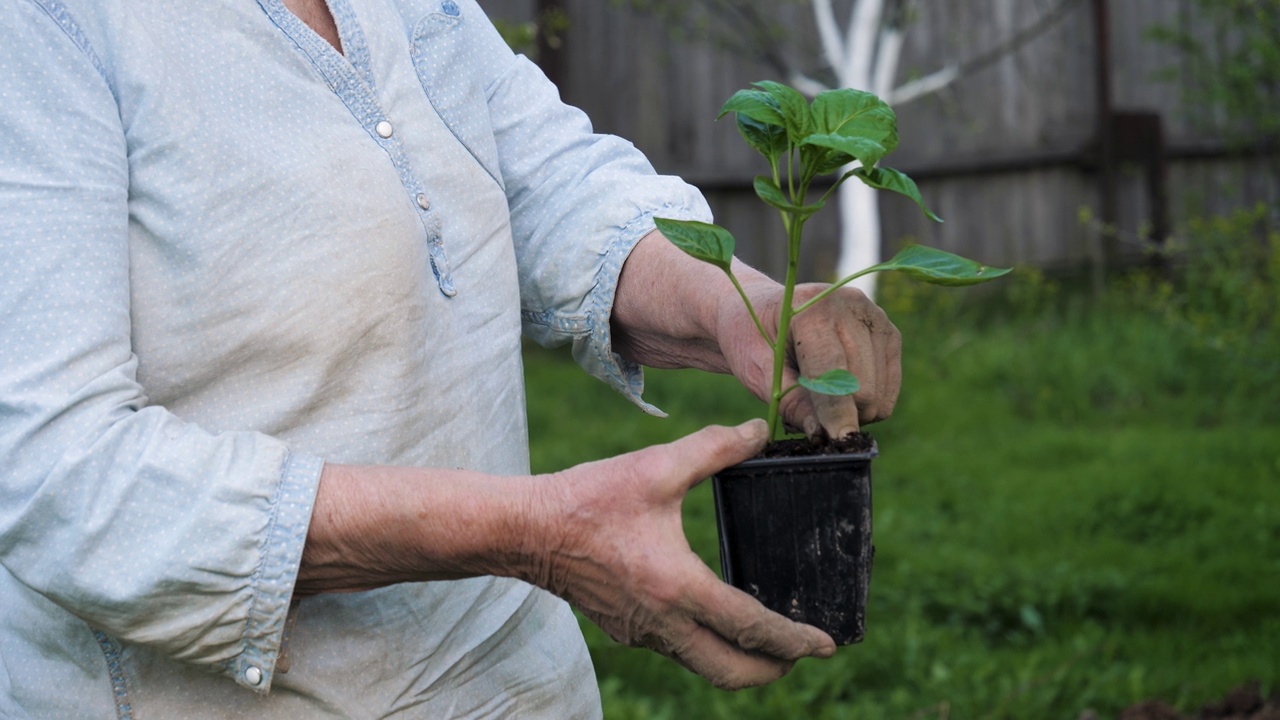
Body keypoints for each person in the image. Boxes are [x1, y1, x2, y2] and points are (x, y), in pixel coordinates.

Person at [0, 0, 902, 716]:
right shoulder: (46, 28)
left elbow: (547, 182)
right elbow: (57, 475)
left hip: (513, 682)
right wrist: (540, 533)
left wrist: (730, 304)